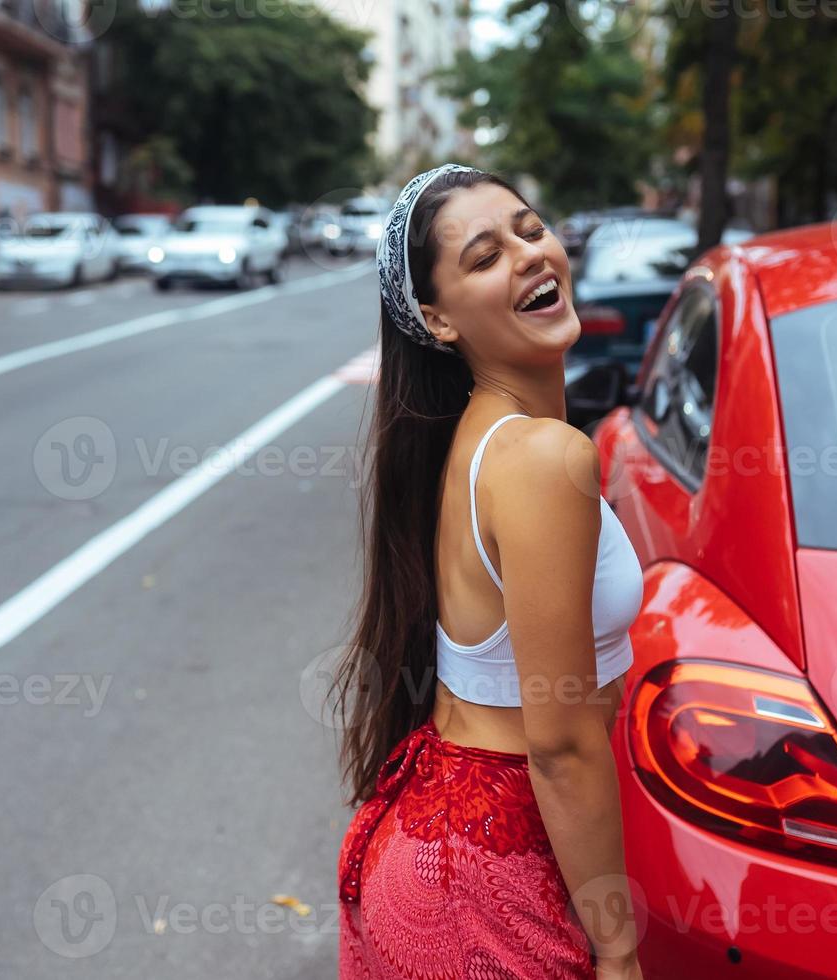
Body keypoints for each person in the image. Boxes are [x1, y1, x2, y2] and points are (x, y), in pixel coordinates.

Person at [332, 164, 648, 980]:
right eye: (484, 256)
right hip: (489, 870)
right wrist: (617, 952)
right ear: (436, 319)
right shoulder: (541, 456)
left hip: (439, 834)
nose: (528, 255)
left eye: (530, 229)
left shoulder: (477, 441)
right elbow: (562, 745)